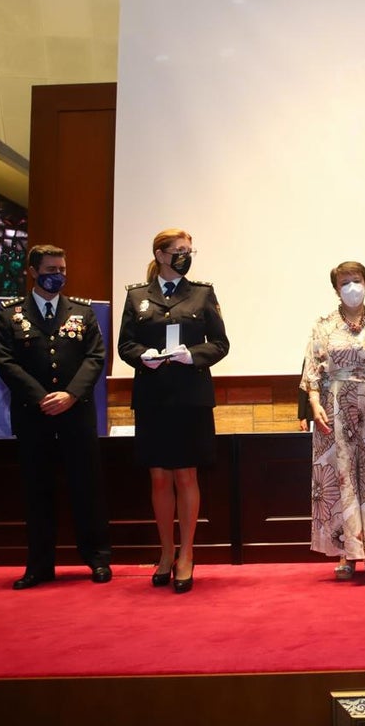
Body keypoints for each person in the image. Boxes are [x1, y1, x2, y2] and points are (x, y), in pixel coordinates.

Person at [0, 245, 111, 589]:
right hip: (34, 415)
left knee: (87, 489)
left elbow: (95, 357)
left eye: (62, 267)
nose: (57, 274)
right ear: (32, 271)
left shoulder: (83, 313)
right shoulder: (10, 314)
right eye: (50, 268)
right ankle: (40, 566)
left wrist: (71, 394)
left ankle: (98, 560)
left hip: (77, 415)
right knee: (37, 492)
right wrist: (41, 396)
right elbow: (5, 361)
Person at [118, 229, 229, 594]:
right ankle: (165, 553)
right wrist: (142, 358)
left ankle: (186, 554)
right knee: (159, 479)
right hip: (152, 397)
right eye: (178, 250)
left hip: (190, 397)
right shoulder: (137, 296)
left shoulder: (201, 293)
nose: (185, 255)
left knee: (186, 476)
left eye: (188, 250)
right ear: (161, 254)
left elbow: (221, 343)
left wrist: (192, 356)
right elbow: (126, 345)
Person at [302, 261, 365, 580]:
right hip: (335, 409)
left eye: (356, 280)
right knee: (341, 478)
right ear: (336, 288)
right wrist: (314, 403)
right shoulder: (322, 325)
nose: (351, 286)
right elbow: (312, 372)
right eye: (344, 282)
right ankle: (347, 554)